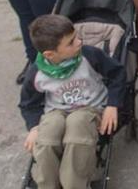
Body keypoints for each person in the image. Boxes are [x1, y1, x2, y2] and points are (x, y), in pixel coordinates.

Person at [19, 15, 124, 189]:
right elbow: (28, 104)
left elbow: (117, 74)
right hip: (56, 111)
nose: (79, 42)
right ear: (50, 54)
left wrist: (112, 105)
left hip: (90, 108)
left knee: (77, 126)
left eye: (76, 37)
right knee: (47, 136)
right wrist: (34, 127)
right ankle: (48, 184)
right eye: (71, 42)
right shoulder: (36, 73)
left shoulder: (89, 55)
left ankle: (74, 185)